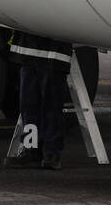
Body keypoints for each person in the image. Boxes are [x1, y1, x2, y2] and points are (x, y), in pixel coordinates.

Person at [5, 31, 73, 170]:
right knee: (29, 106)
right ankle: (32, 151)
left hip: (53, 55)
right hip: (30, 54)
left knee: (51, 107)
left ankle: (51, 153)